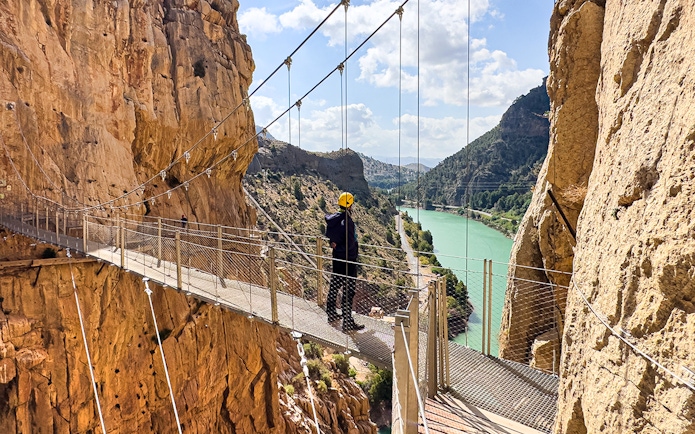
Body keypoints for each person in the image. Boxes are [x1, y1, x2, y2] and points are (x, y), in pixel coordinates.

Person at [325, 192, 365, 332]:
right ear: (350, 205)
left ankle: (331, 314)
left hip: (337, 258)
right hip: (348, 261)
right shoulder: (347, 222)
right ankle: (347, 323)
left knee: (335, 285)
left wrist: (333, 244)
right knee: (349, 291)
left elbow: (330, 236)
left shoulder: (334, 219)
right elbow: (349, 244)